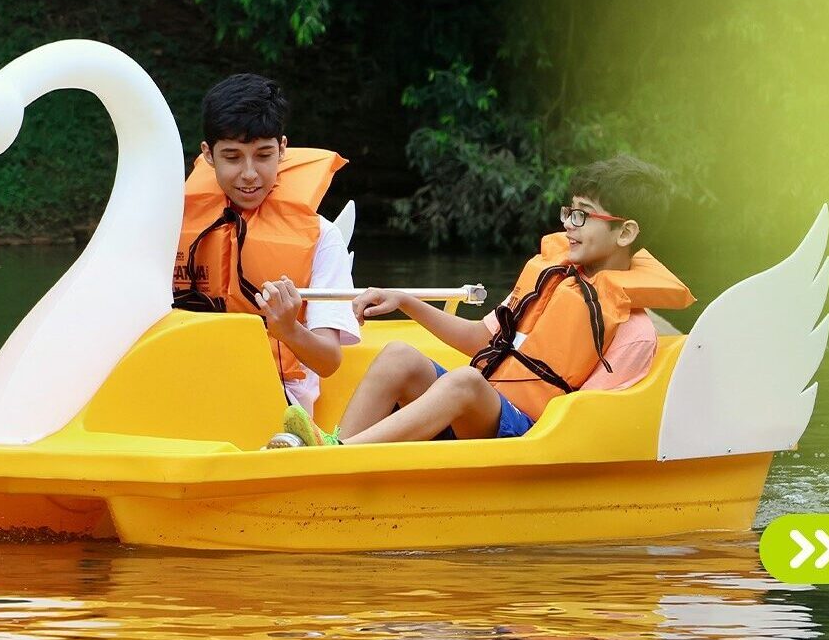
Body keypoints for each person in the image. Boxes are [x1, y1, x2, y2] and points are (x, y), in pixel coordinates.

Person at [269, 154, 694, 446]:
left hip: (529, 436)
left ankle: (339, 456)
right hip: (483, 411)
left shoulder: (633, 332)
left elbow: (589, 422)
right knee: (400, 354)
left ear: (625, 232)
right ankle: (335, 445)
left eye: (583, 215)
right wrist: (408, 301)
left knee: (466, 381)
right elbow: (481, 339)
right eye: (569, 212)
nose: (569, 225)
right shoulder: (549, 278)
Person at [173, 73, 360, 415]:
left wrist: (288, 329)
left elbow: (329, 360)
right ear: (208, 154)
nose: (249, 174)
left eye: (263, 155)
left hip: (273, 398)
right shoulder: (170, 225)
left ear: (283, 149)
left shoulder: (322, 237)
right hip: (186, 381)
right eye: (232, 157)